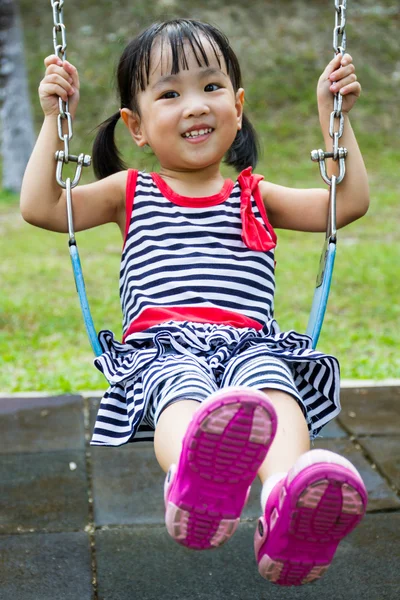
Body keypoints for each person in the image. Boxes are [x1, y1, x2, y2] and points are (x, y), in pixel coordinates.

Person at [21, 18, 370, 586]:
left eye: (211, 89)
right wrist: (52, 119)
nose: (195, 106)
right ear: (135, 126)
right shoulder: (128, 191)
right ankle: (195, 476)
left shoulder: (255, 194)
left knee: (276, 392)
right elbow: (40, 206)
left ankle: (286, 500)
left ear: (237, 104)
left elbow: (346, 202)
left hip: (249, 343)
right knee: (183, 391)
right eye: (169, 94)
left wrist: (337, 119)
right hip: (164, 345)